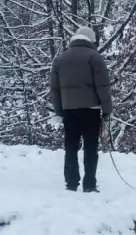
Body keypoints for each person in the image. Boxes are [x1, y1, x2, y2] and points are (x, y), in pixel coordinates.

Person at [50, 26, 113, 193]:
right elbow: (103, 86)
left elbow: (55, 89)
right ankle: (89, 184)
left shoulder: (60, 59)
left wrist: (59, 111)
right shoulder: (95, 57)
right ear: (91, 40)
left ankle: (71, 182)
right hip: (91, 109)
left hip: (69, 109)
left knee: (70, 147)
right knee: (90, 147)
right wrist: (107, 110)